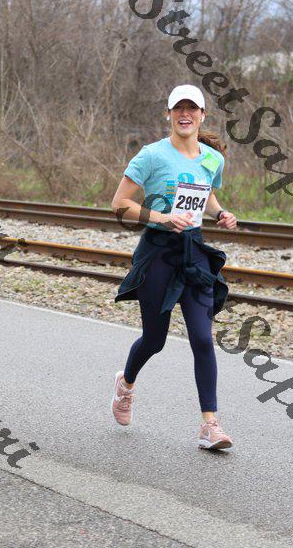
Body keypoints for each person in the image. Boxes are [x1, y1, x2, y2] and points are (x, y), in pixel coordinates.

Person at [110, 84, 237, 450]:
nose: (185, 114)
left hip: (194, 253)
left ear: (202, 115)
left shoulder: (212, 159)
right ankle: (125, 384)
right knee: (155, 339)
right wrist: (162, 217)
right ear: (168, 114)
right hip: (158, 253)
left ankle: (210, 425)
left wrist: (221, 213)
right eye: (178, 108)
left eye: (191, 108)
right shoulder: (151, 155)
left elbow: (208, 195)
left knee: (203, 338)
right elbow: (119, 203)